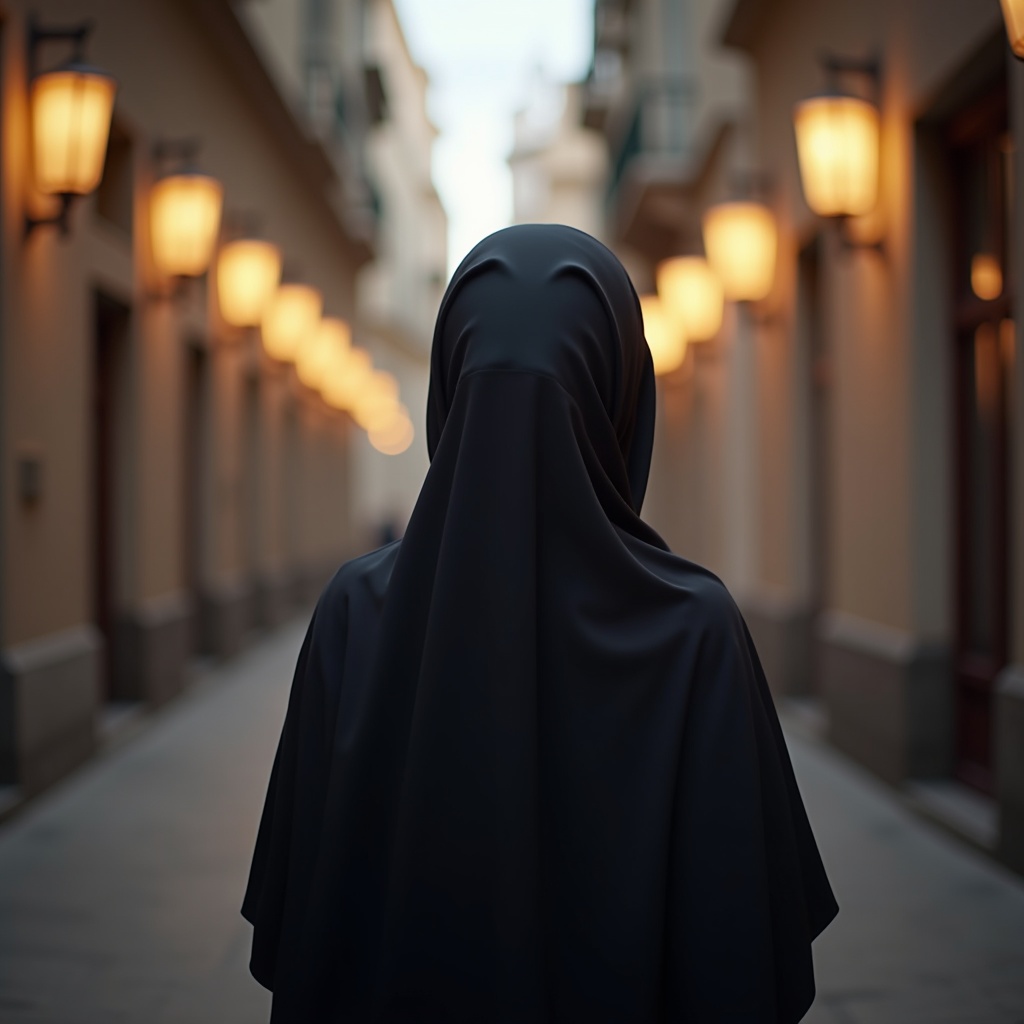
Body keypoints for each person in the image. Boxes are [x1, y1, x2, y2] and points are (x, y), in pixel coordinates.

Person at [242, 224, 838, 1023]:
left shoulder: (354, 616)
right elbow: (746, 957)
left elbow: (299, 932)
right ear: (621, 396)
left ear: (449, 392)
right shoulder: (699, 633)